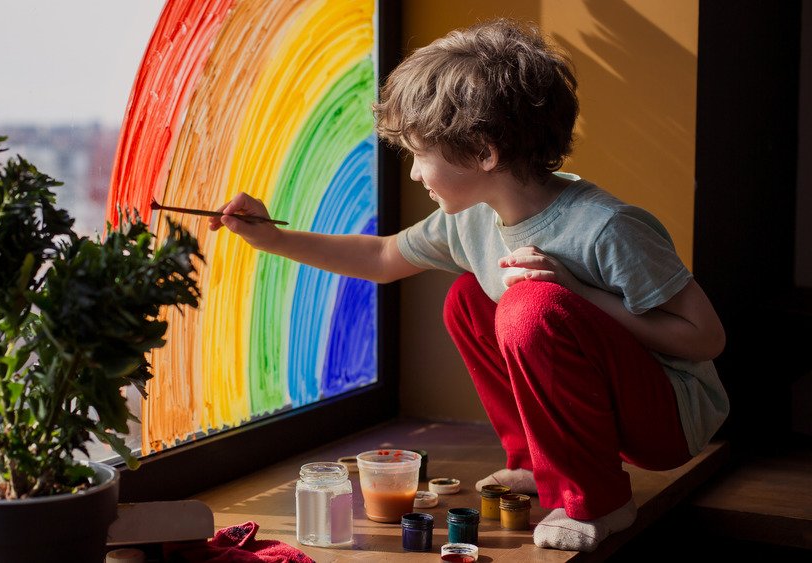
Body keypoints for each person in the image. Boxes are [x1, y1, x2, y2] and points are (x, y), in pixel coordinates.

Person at [208, 18, 728, 553]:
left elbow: (705, 338)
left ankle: (597, 500)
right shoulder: (471, 218)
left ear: (483, 152)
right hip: (602, 403)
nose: (413, 174)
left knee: (530, 308)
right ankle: (535, 463)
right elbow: (384, 256)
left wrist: (580, 294)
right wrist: (270, 239)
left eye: (419, 154)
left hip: (668, 419)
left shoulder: (606, 227)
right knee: (469, 299)